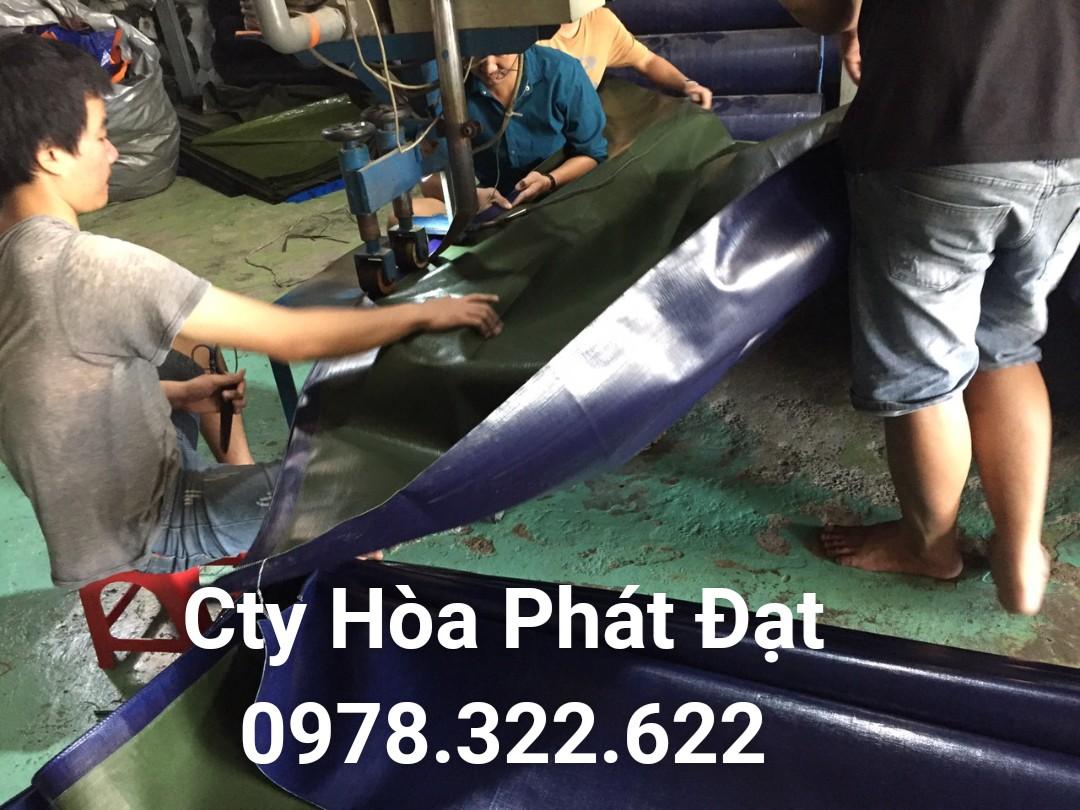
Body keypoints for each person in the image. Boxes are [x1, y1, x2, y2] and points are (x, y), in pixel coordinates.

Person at [0, 34, 502, 587]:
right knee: (354, 498)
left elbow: (55, 395)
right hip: (146, 525)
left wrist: (178, 395)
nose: (114, 152)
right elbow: (291, 338)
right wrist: (425, 314)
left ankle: (245, 492)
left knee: (188, 349)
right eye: (100, 136)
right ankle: (293, 573)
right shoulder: (90, 268)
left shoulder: (14, 257)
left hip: (87, 507)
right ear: (49, 154)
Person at [779, 0, 1080, 615]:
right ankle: (1021, 552)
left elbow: (824, 9)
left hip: (942, 126)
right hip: (1069, 136)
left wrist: (852, 20)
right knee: (1007, 343)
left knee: (925, 369)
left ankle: (929, 547)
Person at [415, 45, 608, 217]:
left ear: (521, 40)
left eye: (499, 52)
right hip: (496, 208)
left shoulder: (561, 72)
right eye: (476, 56)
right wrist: (470, 196)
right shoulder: (448, 89)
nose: (489, 68)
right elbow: (429, 180)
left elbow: (592, 154)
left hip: (563, 195)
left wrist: (549, 180)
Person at [538, 6, 712, 110]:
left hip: (582, 131)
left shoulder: (602, 20)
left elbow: (647, 61)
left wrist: (687, 84)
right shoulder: (530, 32)